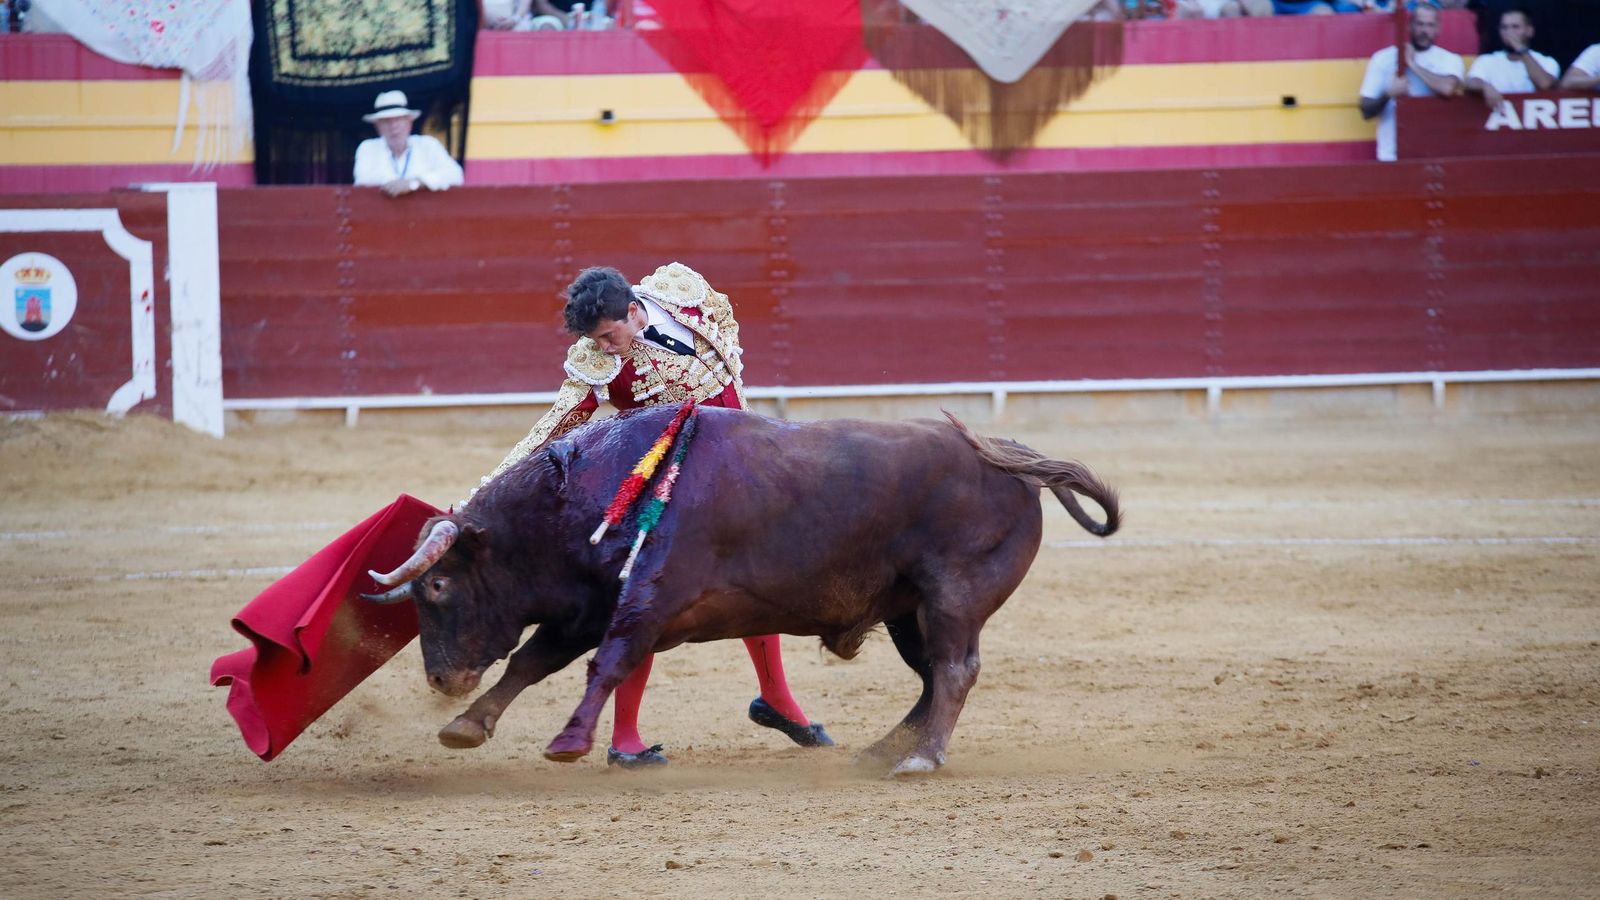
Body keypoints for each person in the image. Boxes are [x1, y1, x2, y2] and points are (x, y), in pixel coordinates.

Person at [468, 262, 834, 768]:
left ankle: (775, 699)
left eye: (609, 336)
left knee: (756, 583)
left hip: (742, 472)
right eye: (595, 341)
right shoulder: (595, 363)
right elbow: (552, 427)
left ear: (634, 311)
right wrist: (486, 494)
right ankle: (625, 738)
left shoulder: (683, 291)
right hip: (673, 489)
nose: (604, 348)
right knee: (647, 596)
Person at [1358, 3, 1465, 162]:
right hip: (1391, 155)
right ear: (1409, 26)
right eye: (1419, 24)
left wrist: (1412, 65)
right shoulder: (1382, 59)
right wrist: (1389, 94)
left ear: (1438, 29)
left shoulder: (1449, 59)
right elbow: (1366, 111)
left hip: (1435, 155)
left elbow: (1447, 88)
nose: (1424, 30)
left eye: (1430, 25)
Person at [353, 91, 465, 197]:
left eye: (398, 120)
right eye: (386, 121)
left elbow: (455, 175)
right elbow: (363, 179)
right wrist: (405, 184)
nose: (393, 126)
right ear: (378, 127)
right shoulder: (367, 148)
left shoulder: (428, 145)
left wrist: (414, 183)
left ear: (409, 123)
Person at [1463, 8, 1559, 110]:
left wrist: (1521, 49)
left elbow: (1545, 84)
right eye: (1504, 27)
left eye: (1515, 27)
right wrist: (1485, 87)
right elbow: (1471, 82)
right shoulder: (1486, 60)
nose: (1509, 32)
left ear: (1529, 31)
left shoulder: (1547, 61)